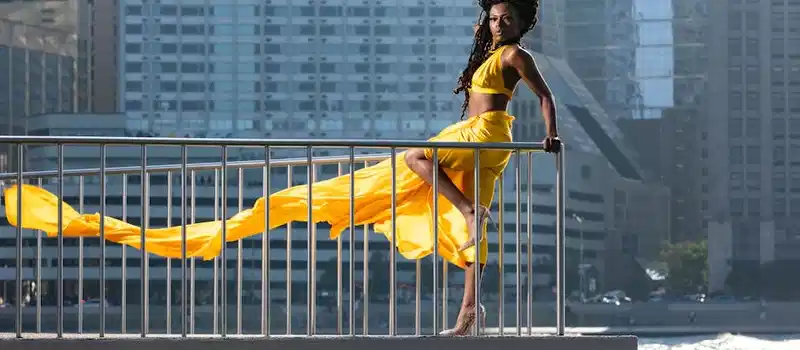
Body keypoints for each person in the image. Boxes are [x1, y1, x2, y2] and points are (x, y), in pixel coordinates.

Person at [3, 0, 558, 337]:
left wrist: (550, 135)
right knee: (452, 216)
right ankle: (469, 310)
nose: (499, 23)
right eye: (493, 17)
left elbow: (544, 95)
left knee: (417, 161)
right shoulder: (488, 55)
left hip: (486, 138)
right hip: (478, 138)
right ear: (486, 22)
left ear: (521, 23)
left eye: (507, 17)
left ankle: (468, 237)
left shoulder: (514, 57)